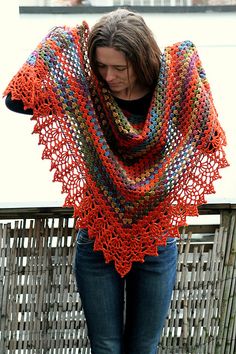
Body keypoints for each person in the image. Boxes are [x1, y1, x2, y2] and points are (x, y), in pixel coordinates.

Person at [4, 8, 228, 354]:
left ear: (141, 59)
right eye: (101, 65)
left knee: (144, 346)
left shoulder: (171, 89)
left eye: (119, 67)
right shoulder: (86, 91)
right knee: (105, 346)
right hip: (97, 235)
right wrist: (56, 41)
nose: (108, 76)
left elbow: (210, 138)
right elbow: (16, 98)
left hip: (156, 237)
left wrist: (194, 78)